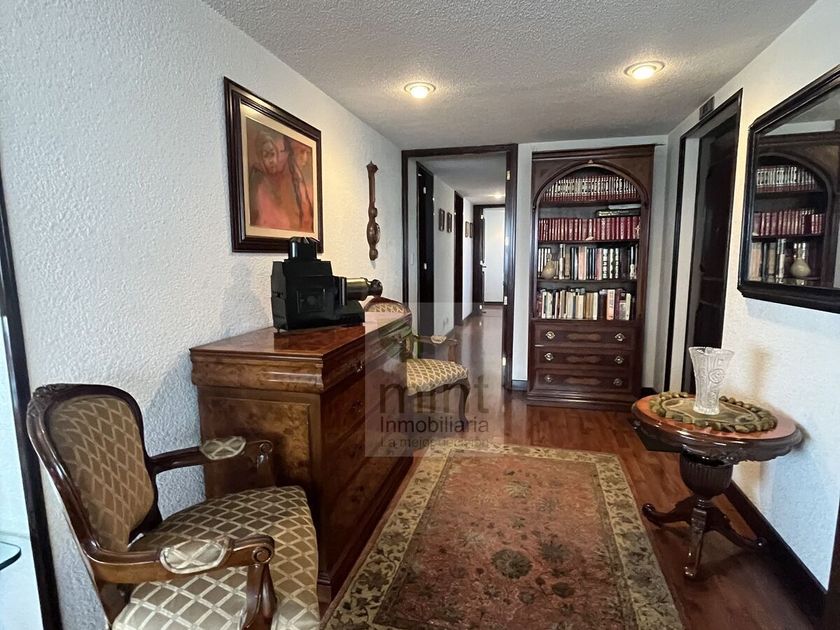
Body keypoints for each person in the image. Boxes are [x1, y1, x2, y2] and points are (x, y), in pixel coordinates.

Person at [248, 129, 313, 231]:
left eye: (272, 154)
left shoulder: (284, 177)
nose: (271, 161)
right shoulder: (260, 185)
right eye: (266, 156)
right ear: (260, 158)